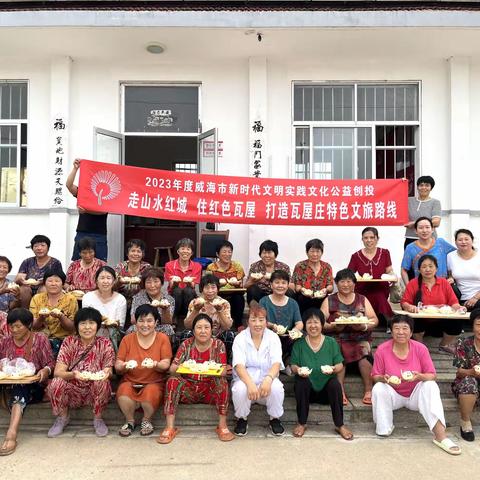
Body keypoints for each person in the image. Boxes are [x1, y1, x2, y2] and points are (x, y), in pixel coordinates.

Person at [371, 314, 461, 455]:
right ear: (391, 331)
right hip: (393, 395)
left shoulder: (420, 348)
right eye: (396, 328)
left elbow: (432, 375)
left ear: (411, 332)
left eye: (405, 328)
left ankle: (441, 436)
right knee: (378, 387)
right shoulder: (382, 349)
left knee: (430, 385)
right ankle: (384, 428)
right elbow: (375, 376)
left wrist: (419, 376)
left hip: (416, 396)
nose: (401, 332)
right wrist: (383, 378)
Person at [158, 313, 234, 444]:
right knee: (172, 381)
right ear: (193, 331)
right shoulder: (186, 345)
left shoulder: (218, 345)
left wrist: (208, 369)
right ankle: (170, 427)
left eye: (206, 327)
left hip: (210, 390)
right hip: (189, 389)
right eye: (199, 328)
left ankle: (222, 426)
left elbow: (222, 371)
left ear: (212, 330)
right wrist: (182, 367)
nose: (203, 331)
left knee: (221, 382)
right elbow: (172, 369)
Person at [47, 307, 115, 438]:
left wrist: (105, 373)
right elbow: (58, 372)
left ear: (98, 326)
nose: (87, 327)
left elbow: (109, 371)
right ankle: (62, 418)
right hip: (73, 389)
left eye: (91, 323)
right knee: (56, 383)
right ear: (77, 326)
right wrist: (73, 374)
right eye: (83, 323)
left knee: (103, 382)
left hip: (94, 390)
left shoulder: (105, 343)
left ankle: (98, 419)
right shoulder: (69, 342)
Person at [290, 308, 353, 440]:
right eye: (309, 322)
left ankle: (339, 425)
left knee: (335, 384)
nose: (313, 326)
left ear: (322, 324)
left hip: (326, 392)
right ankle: (302, 423)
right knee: (301, 382)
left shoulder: (331, 342)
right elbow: (293, 365)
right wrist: (299, 370)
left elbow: (340, 364)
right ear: (305, 325)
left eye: (316, 322)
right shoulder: (299, 344)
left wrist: (333, 369)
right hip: (307, 391)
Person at [321, 268, 378, 406]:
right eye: (342, 281)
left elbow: (374, 319)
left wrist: (363, 326)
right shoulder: (329, 300)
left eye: (349, 281)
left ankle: (369, 390)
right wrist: (333, 327)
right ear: (336, 283)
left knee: (364, 351)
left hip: (359, 337)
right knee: (337, 352)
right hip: (337, 337)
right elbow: (320, 322)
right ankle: (339, 391)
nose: (346, 284)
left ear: (354, 283)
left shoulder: (362, 299)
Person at [0, 308, 54, 455]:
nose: (14, 330)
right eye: (11, 326)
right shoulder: (5, 342)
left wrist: (44, 371)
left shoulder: (40, 339)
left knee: (21, 389)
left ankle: (11, 435)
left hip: (33, 385)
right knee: (17, 387)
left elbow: (50, 364)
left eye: (18, 326)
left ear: (28, 325)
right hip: (7, 384)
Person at [115, 305, 172, 437]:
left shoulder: (162, 338)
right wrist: (124, 366)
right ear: (135, 322)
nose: (145, 324)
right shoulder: (127, 339)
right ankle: (129, 421)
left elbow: (166, 364)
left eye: (149, 321)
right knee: (123, 391)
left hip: (154, 382)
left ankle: (146, 420)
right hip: (130, 380)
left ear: (156, 322)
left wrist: (155, 364)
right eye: (141, 320)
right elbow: (118, 364)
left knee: (151, 392)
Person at [231, 302, 285, 436]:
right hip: (246, 381)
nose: (257, 324)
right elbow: (239, 365)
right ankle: (242, 418)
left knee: (277, 387)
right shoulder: (240, 338)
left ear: (266, 322)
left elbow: (277, 362)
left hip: (265, 383)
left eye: (261, 320)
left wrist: (268, 379)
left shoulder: (273, 337)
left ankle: (275, 418)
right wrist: (249, 383)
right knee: (239, 389)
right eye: (253, 320)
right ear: (247, 321)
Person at [401, 254, 463, 354]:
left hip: (441, 321)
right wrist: (410, 307)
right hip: (421, 322)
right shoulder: (413, 283)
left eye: (431, 266)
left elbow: (453, 302)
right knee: (413, 320)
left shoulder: (444, 282)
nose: (427, 269)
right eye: (424, 267)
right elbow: (404, 302)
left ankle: (444, 345)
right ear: (419, 270)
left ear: (436, 268)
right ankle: (420, 348)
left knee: (457, 322)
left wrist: (459, 308)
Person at [182, 274, 235, 362]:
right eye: (207, 288)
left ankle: (227, 363)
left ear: (217, 289)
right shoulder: (195, 302)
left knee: (230, 335)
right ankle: (187, 361)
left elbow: (227, 326)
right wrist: (196, 310)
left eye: (213, 287)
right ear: (201, 289)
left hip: (218, 335)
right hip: (199, 335)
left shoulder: (224, 303)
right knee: (186, 334)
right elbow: (187, 325)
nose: (210, 291)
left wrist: (220, 310)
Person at [348, 227, 396, 324]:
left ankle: (391, 323)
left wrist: (393, 277)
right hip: (362, 289)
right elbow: (349, 274)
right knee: (373, 296)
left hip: (381, 287)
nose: (369, 240)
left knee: (379, 295)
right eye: (365, 238)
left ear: (377, 239)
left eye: (372, 237)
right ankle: (390, 322)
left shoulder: (385, 253)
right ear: (362, 239)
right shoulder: (356, 256)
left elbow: (389, 271)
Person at [67, 159, 108, 262]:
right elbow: (69, 185)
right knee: (77, 262)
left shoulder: (108, 192)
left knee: (100, 264)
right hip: (82, 231)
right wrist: (75, 169)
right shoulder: (85, 191)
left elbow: (103, 211)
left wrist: (85, 211)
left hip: (99, 233)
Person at [30, 269, 78, 357]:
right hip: (41, 339)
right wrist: (41, 318)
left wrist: (61, 317)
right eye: (50, 281)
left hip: (63, 339)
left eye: (57, 281)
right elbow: (33, 326)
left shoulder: (71, 299)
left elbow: (72, 328)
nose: (53, 284)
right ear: (44, 283)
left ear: (63, 284)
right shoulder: (36, 298)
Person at [259, 270, 303, 366]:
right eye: (277, 282)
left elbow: (299, 323)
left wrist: (294, 331)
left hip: (288, 337)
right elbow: (260, 321)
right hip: (269, 336)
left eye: (284, 283)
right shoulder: (264, 301)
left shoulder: (293, 303)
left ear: (288, 285)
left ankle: (290, 363)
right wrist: (272, 326)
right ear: (271, 285)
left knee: (301, 337)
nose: (280, 285)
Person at [82, 266, 127, 351]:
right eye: (102, 278)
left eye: (108, 278)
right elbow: (86, 320)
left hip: (113, 338)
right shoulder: (88, 297)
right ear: (96, 281)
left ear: (114, 281)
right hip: (90, 334)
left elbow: (120, 325)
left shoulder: (120, 299)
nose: (105, 281)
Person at [452, 309, 480, 441]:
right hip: (467, 381)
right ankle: (465, 422)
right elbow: (460, 372)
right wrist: (472, 372)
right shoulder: (463, 343)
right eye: (478, 325)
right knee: (469, 381)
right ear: (473, 326)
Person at [401, 217, 455, 284]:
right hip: (421, 287)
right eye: (420, 228)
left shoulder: (441, 243)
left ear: (432, 229)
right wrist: (409, 287)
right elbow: (404, 269)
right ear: (415, 231)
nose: (424, 230)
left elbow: (457, 256)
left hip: (442, 286)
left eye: (427, 227)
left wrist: (452, 276)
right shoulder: (410, 248)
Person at [206, 240, 245, 330]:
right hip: (217, 294)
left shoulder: (237, 266)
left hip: (233, 294)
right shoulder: (211, 267)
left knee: (239, 298)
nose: (227, 254)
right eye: (224, 252)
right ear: (217, 254)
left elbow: (241, 285)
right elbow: (208, 285)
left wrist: (237, 284)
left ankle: (238, 324)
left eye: (229, 252)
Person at [15, 235, 63, 308]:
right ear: (32, 248)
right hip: (29, 288)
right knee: (24, 289)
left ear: (48, 247)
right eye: (36, 246)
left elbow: (59, 280)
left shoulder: (55, 262)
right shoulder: (27, 261)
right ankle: (25, 314)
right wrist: (21, 280)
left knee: (44, 288)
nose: (39, 248)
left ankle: (43, 313)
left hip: (45, 288)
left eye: (42, 245)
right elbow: (18, 278)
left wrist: (44, 281)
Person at [128, 268, 175, 337]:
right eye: (148, 282)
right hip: (143, 326)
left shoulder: (169, 299)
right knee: (132, 328)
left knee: (168, 328)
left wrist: (165, 309)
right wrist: (149, 308)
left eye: (156, 281)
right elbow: (133, 320)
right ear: (144, 284)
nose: (152, 285)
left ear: (162, 283)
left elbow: (167, 322)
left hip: (159, 328)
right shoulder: (138, 297)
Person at [292, 239, 334, 314]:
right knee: (301, 298)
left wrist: (326, 290)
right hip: (304, 298)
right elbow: (297, 286)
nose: (315, 254)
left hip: (322, 297)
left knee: (328, 300)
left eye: (318, 251)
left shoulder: (327, 266)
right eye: (312, 251)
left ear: (322, 253)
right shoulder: (300, 266)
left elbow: (330, 286)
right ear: (307, 252)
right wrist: (303, 290)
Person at [164, 238, 201, 322]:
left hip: (189, 295)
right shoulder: (169, 265)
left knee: (188, 291)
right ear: (178, 251)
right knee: (177, 291)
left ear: (191, 253)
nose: (185, 251)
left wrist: (188, 282)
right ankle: (174, 317)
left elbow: (193, 286)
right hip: (174, 295)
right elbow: (171, 287)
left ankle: (188, 316)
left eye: (188, 249)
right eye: (182, 248)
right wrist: (175, 282)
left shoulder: (197, 266)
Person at [245, 240, 292, 305]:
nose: (267, 256)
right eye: (264, 253)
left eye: (269, 253)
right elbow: (246, 286)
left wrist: (278, 282)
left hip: (278, 294)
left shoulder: (284, 267)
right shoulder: (255, 266)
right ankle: (256, 312)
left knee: (290, 292)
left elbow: (289, 285)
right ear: (260, 254)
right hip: (260, 295)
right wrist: (252, 281)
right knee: (252, 289)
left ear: (275, 254)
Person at [404, 175, 442, 248]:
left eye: (427, 185)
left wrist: (415, 223)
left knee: (429, 259)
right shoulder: (409, 201)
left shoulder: (435, 202)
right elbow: (396, 198)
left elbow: (436, 222)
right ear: (417, 187)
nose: (424, 188)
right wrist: (400, 183)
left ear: (431, 188)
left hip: (429, 239)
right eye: (421, 185)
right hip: (411, 238)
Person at [447, 229, 480, 310]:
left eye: (466, 239)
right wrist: (450, 278)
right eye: (460, 240)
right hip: (460, 299)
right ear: (455, 242)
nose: (463, 242)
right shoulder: (450, 256)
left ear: (472, 240)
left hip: (478, 297)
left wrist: (475, 298)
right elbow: (450, 274)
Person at [115, 239, 151, 311]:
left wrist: (141, 283)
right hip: (121, 298)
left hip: (142, 299)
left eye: (139, 251)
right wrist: (119, 282)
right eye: (133, 251)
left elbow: (151, 287)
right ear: (127, 253)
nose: (135, 254)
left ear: (142, 254)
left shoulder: (147, 267)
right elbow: (112, 287)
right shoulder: (120, 267)